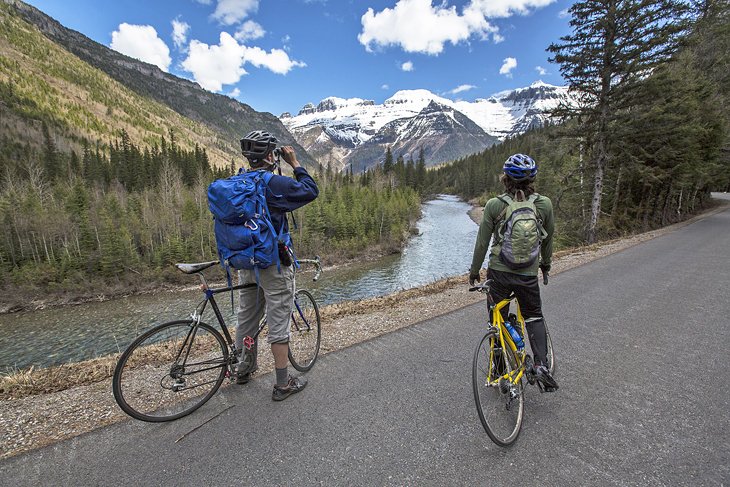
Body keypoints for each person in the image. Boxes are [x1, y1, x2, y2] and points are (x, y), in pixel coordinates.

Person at [235, 130, 319, 401]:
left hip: (246, 262)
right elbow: (310, 190)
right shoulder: (273, 183)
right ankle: (282, 384)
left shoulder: (238, 182)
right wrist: (295, 163)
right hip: (274, 263)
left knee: (246, 319)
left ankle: (243, 370)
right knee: (278, 321)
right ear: (271, 155)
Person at [469, 153, 558, 392]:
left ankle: (498, 371)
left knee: (496, 321)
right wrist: (545, 264)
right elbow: (548, 240)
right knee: (533, 317)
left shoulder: (495, 205)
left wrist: (474, 271)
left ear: (505, 178)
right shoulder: (544, 205)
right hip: (528, 274)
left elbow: (482, 243)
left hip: (499, 273)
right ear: (533, 180)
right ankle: (541, 366)